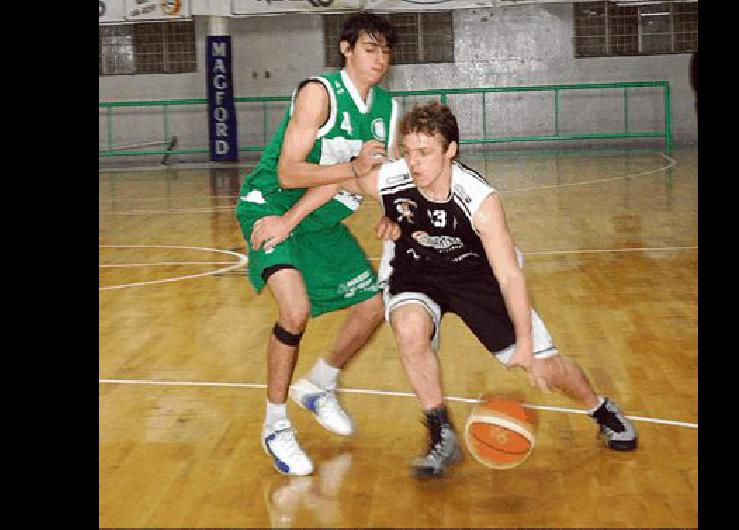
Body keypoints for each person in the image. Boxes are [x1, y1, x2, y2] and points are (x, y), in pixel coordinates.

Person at [258, 102, 639, 479]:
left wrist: (525, 342)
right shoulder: (393, 177)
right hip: (416, 273)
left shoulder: (478, 198)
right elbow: (338, 181)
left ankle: (600, 408)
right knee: (409, 329)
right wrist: (287, 222)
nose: (414, 162)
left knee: (543, 365)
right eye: (408, 152)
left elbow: (509, 277)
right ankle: (441, 431)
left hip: (478, 280)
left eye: (424, 152)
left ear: (450, 150)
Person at [235, 12, 401, 477]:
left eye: (386, 50)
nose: (380, 59)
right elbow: (290, 172)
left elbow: (367, 174)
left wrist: (391, 206)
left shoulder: (385, 107)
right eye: (370, 48)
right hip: (269, 205)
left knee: (373, 306)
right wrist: (289, 216)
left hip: (319, 216)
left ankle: (320, 384)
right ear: (346, 49)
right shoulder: (318, 93)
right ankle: (275, 424)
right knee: (295, 311)